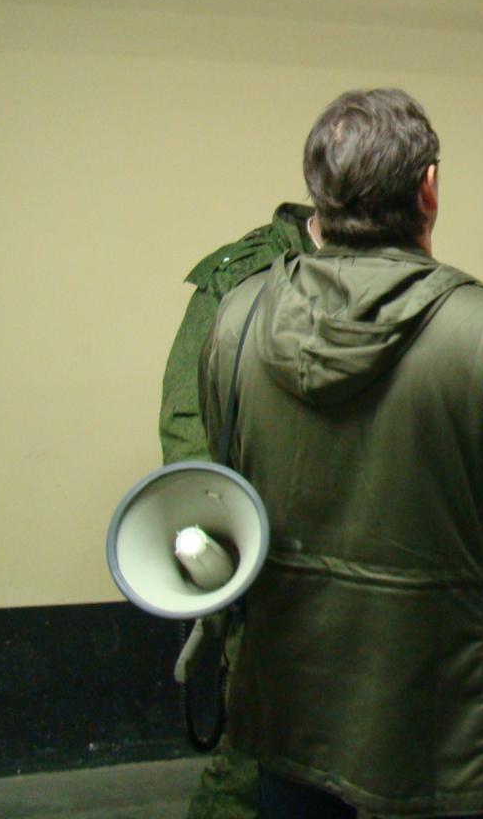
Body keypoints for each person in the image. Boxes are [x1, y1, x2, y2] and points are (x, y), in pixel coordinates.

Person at [199, 89, 483, 818]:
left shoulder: (241, 316)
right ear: (428, 189)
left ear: (318, 192)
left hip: (289, 681)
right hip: (437, 699)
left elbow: (227, 466)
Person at [160, 201, 317, 819]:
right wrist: (216, 530)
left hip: (360, 539)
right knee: (256, 746)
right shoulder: (242, 275)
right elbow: (188, 418)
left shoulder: (389, 267)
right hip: (266, 541)